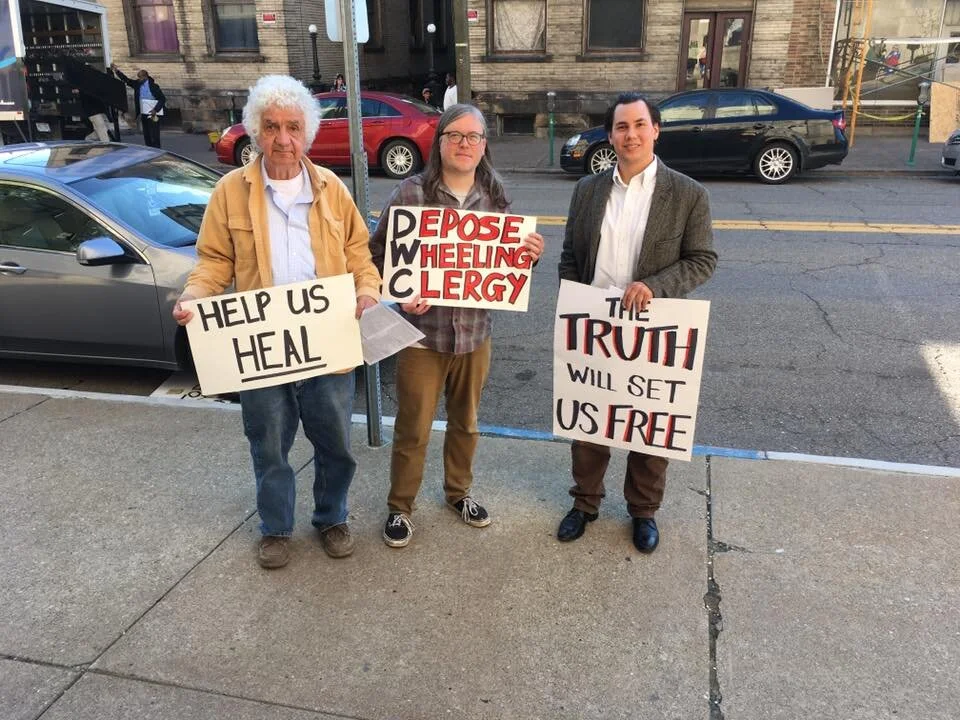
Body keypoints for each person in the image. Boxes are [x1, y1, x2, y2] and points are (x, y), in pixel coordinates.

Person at [171, 75, 381, 569]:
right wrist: (194, 297)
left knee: (335, 443)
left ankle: (332, 516)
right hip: (261, 346)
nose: (282, 139)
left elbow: (359, 254)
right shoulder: (229, 192)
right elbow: (213, 261)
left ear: (306, 133)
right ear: (255, 132)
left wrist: (368, 290)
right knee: (268, 443)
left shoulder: (332, 189)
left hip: (327, 342)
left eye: (292, 127)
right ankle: (276, 527)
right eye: (271, 127)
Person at [369, 104, 544, 548]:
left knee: (466, 422)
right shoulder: (410, 194)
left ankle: (458, 493)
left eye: (474, 137)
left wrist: (529, 257)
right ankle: (400, 507)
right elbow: (374, 258)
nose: (465, 144)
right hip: (421, 338)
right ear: (440, 142)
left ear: (485, 146)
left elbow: (504, 268)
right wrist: (398, 290)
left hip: (474, 335)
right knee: (414, 426)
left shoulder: (496, 197)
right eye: (456, 135)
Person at [556, 92, 717, 554]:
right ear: (610, 135)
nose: (631, 135)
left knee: (648, 424)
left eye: (639, 125)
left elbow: (703, 260)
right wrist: (575, 300)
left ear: (655, 130)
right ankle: (585, 503)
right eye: (621, 127)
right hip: (595, 324)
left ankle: (643, 512)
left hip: (652, 325)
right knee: (590, 422)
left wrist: (655, 286)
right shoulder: (587, 190)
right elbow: (571, 254)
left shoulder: (687, 194)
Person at [110, 63, 165, 148]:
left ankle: (157, 149)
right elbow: (127, 80)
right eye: (138, 77)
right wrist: (117, 71)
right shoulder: (137, 85)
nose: (139, 79)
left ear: (146, 77)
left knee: (154, 133)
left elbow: (162, 99)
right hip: (143, 112)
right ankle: (149, 148)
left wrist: (156, 109)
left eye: (141, 77)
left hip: (153, 112)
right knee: (146, 133)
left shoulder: (154, 86)